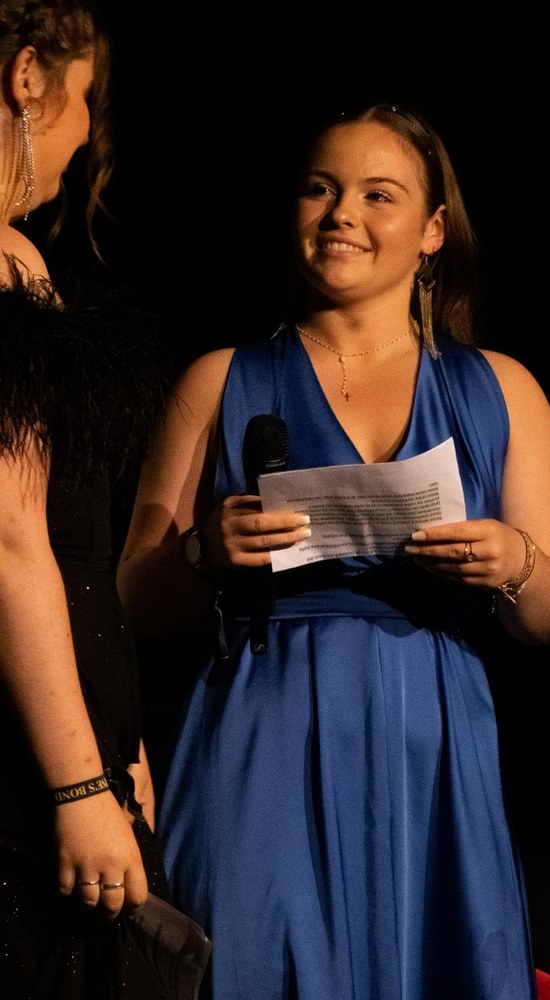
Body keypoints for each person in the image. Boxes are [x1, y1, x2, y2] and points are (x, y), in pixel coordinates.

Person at [117, 99, 550, 999]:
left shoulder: (501, 389)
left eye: (377, 194)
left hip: (431, 743)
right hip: (261, 731)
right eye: (319, 189)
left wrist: (512, 561)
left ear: (432, 232)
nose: (340, 214)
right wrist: (204, 552)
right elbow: (130, 600)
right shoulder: (219, 380)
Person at [0, 2, 172, 997]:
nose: (83, 136)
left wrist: (120, 744)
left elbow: (71, 542)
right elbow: (11, 540)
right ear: (28, 77)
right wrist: (77, 782)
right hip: (26, 768)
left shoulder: (21, 258)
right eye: (86, 100)